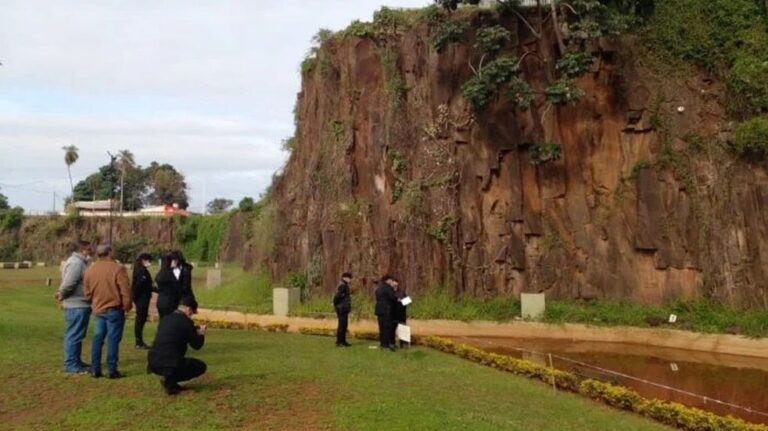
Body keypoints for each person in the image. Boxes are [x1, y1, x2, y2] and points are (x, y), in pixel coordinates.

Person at [84, 244, 132, 378]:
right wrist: (126, 306)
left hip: (98, 309)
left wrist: (94, 302)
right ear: (110, 252)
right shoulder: (117, 269)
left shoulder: (90, 270)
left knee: (98, 339)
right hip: (114, 309)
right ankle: (112, 369)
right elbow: (125, 291)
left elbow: (87, 293)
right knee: (113, 340)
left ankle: (95, 368)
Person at [148, 296, 207, 395]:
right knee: (200, 367)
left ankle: (170, 381)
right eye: (192, 312)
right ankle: (170, 381)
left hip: (153, 361)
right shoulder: (186, 322)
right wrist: (201, 333)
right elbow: (197, 345)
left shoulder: (166, 318)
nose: (191, 315)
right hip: (170, 362)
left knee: (174, 360)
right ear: (188, 309)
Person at [55, 240, 94, 374]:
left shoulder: (77, 262)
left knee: (76, 335)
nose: (91, 252)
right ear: (82, 250)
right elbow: (69, 283)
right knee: (74, 335)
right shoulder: (77, 263)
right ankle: (71, 364)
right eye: (89, 250)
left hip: (78, 304)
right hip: (76, 305)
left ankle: (76, 361)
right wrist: (62, 293)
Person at [132, 253, 155, 349]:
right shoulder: (141, 270)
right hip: (141, 298)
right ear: (143, 260)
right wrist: (135, 297)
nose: (150, 263)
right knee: (140, 319)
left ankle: (139, 340)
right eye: (148, 261)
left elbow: (147, 285)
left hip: (143, 297)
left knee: (142, 318)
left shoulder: (142, 270)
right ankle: (138, 341)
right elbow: (139, 285)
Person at [374, 275, 399, 351]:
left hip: (379, 310)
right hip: (386, 310)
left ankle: (382, 343)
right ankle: (386, 345)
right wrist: (397, 298)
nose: (391, 282)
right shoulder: (387, 288)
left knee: (381, 327)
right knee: (386, 328)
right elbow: (392, 297)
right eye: (391, 280)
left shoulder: (378, 288)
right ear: (387, 280)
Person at [155, 253, 182, 318]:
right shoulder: (169, 274)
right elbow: (176, 288)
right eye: (174, 261)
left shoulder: (161, 273)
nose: (176, 262)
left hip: (161, 301)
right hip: (169, 302)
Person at [332, 272, 353, 347]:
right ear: (345, 278)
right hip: (342, 308)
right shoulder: (343, 285)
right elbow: (337, 296)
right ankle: (340, 342)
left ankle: (343, 341)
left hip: (343, 308)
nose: (350, 280)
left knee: (344, 325)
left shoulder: (343, 285)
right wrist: (336, 304)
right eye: (350, 278)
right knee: (342, 325)